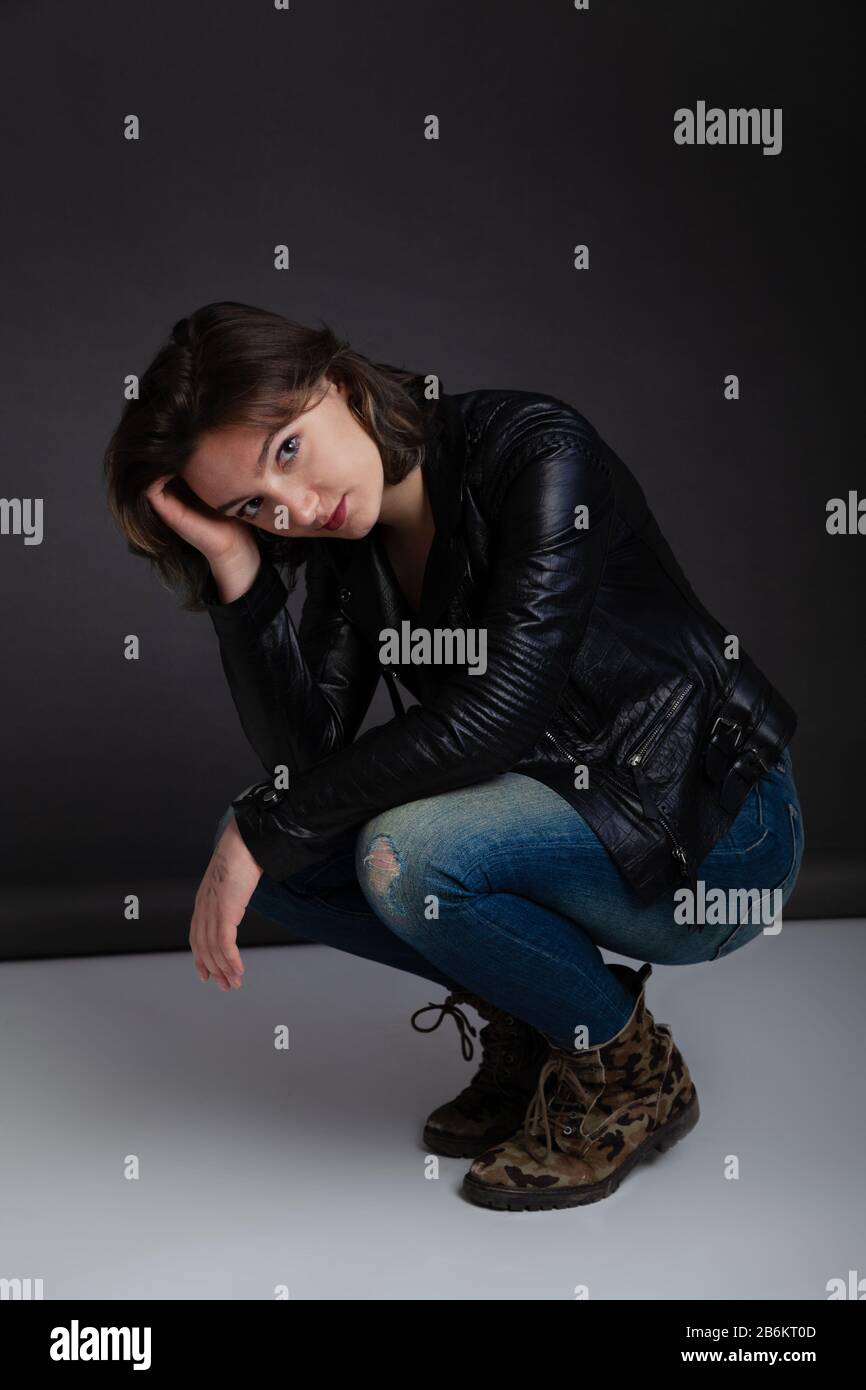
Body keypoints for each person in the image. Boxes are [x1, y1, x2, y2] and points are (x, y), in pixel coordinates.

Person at [103, 300, 804, 1212]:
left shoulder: (538, 452)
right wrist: (236, 572)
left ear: (341, 384)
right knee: (276, 857)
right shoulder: (349, 546)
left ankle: (628, 1070)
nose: (299, 510)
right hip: (568, 824)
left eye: (287, 452)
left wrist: (269, 825)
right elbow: (303, 758)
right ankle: (541, 1022)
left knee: (403, 852)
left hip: (714, 834)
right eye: (255, 506)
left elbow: (500, 709)